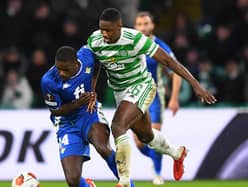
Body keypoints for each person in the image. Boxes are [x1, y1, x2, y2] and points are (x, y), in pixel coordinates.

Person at [87, 8, 216, 187]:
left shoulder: (135, 39)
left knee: (118, 126)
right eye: (102, 29)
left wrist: (195, 85)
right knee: (145, 136)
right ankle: (177, 152)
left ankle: (124, 181)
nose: (104, 34)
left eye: (108, 30)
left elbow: (169, 62)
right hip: (120, 92)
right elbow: (95, 65)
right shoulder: (95, 40)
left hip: (142, 86)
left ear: (120, 26)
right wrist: (92, 91)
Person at [40, 46, 136, 187]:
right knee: (73, 180)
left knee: (103, 147)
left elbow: (98, 63)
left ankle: (129, 185)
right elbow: (56, 110)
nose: (61, 73)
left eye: (65, 69)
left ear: (76, 63)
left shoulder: (87, 56)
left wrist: (92, 89)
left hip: (89, 113)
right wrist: (78, 103)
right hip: (67, 124)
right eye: (58, 68)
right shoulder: (48, 81)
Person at [133, 11, 182, 185]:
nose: (143, 27)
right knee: (139, 143)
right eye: (139, 24)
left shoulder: (160, 47)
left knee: (153, 135)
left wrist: (174, 98)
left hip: (155, 97)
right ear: (135, 27)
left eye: (146, 23)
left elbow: (176, 72)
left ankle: (158, 174)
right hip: (136, 98)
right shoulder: (132, 45)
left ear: (152, 26)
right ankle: (160, 156)